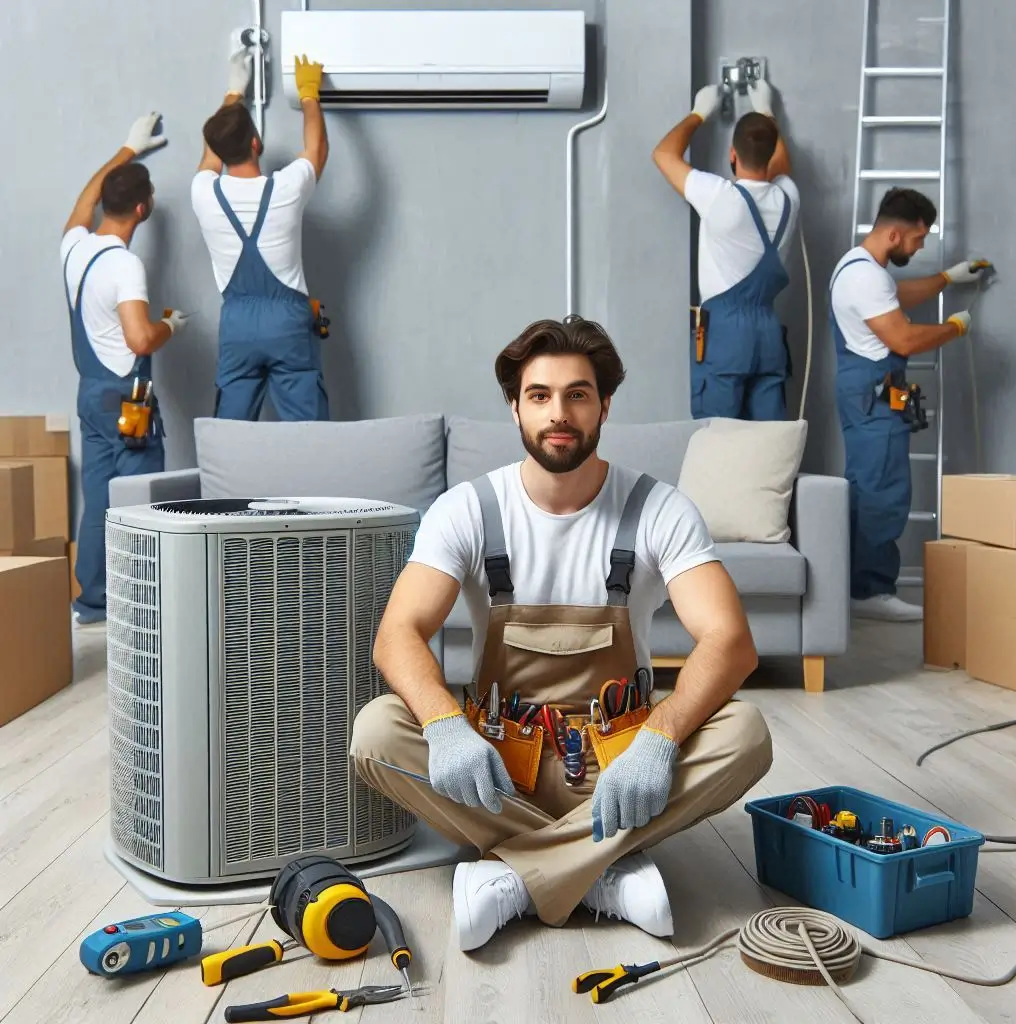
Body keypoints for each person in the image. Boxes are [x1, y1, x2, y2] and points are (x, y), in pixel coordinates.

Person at [349, 315, 773, 951]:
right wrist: (443, 728)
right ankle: (600, 869)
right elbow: (398, 635)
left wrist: (658, 742)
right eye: (540, 395)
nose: (559, 413)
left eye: (578, 394)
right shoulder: (468, 509)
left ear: (604, 406)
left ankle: (516, 877)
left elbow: (731, 642)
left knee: (747, 733)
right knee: (377, 730)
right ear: (515, 409)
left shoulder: (658, 509)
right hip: (494, 772)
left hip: (623, 773)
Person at [829, 187, 992, 622]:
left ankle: (858, 588)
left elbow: (894, 300)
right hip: (874, 392)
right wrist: (954, 327)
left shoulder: (860, 266)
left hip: (868, 390)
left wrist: (947, 279)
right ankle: (870, 592)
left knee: (869, 487)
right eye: (920, 239)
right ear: (897, 235)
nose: (922, 245)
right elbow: (902, 337)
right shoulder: (867, 277)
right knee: (882, 491)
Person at [61, 114, 190, 625]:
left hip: (90, 395)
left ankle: (91, 605)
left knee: (98, 504)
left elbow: (85, 197)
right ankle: (140, 613)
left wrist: (126, 150)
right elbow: (139, 337)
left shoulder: (73, 247)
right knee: (137, 507)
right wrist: (171, 326)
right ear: (142, 208)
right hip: (128, 402)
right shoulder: (124, 264)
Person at [191, 51, 330, 422]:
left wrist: (234, 91)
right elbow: (316, 150)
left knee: (229, 439)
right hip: (288, 322)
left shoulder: (204, 192)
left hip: (237, 325)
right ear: (256, 142)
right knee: (310, 437)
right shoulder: (285, 187)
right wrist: (309, 94)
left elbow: (209, 156)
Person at [653, 79, 800, 421]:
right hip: (768, 333)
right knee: (770, 446)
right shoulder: (788, 197)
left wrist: (699, 112)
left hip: (725, 335)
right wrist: (765, 110)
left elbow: (663, 154)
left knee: (717, 440)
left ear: (732, 155)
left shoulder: (720, 197)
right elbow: (780, 162)